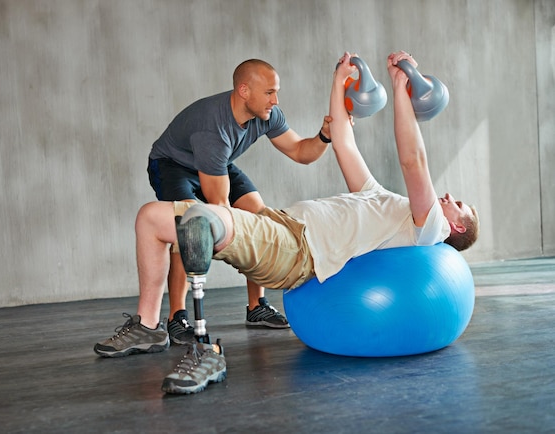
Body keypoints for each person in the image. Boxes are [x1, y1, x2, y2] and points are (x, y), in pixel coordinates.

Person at [94, 51, 480, 394]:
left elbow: (414, 161)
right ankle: (148, 324)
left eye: (458, 204)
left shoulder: (428, 228)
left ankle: (204, 339)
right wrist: (339, 81)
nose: (448, 197)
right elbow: (343, 143)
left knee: (199, 216)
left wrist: (401, 89)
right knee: (149, 218)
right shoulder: (381, 198)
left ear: (455, 228)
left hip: (296, 249)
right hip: (283, 225)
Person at [146, 58, 333, 343]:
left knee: (258, 215)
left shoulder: (268, 115)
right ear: (244, 91)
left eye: (276, 91)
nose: (276, 99)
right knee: (189, 228)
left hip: (217, 162)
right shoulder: (213, 128)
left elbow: (299, 151)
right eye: (269, 92)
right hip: (173, 164)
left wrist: (323, 137)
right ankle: (176, 317)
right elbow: (220, 206)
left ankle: (256, 306)